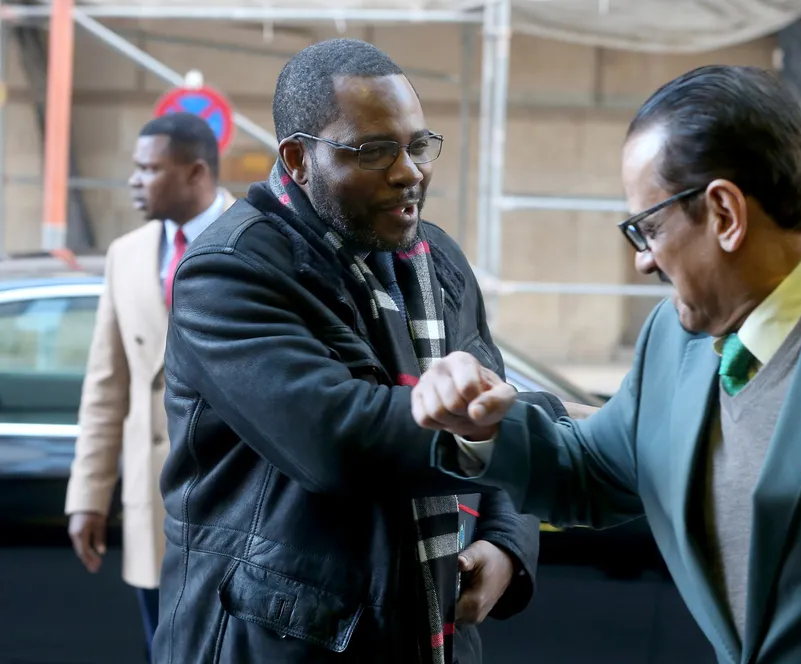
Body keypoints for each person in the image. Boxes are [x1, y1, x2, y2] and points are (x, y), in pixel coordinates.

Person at [413, 65, 801, 662]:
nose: (642, 262)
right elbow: (594, 472)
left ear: (726, 215)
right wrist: (484, 428)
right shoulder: (673, 339)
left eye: (647, 228)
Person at [154, 39, 569, 664]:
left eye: (418, 145)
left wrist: (508, 544)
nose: (410, 171)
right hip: (278, 641)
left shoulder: (438, 261)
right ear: (297, 159)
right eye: (373, 151)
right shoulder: (230, 270)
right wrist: (535, 431)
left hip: (426, 630)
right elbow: (337, 440)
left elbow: (491, 401)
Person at [65, 112, 233, 661]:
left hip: (236, 503)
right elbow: (105, 386)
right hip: (152, 506)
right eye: (134, 168)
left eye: (148, 169)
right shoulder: (125, 254)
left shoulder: (258, 236)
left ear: (195, 172)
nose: (134, 180)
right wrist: (89, 497)